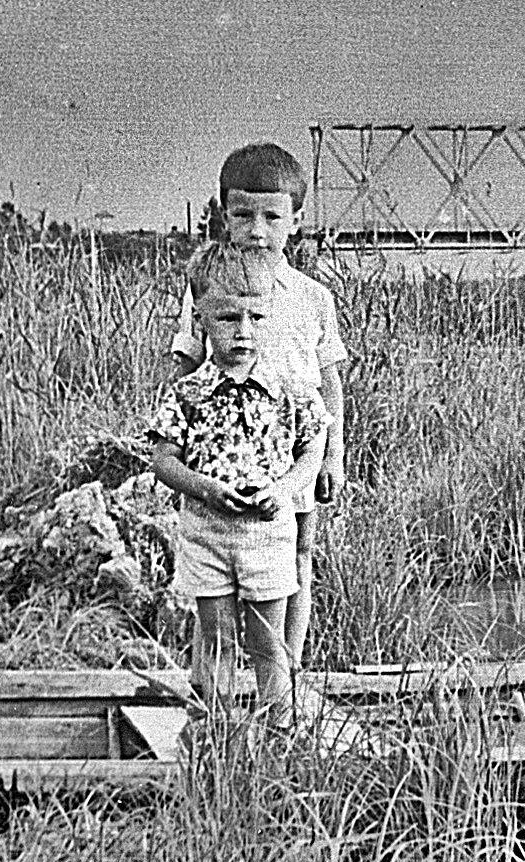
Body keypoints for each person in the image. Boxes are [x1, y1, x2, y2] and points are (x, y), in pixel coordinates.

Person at [171, 141, 347, 680]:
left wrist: (333, 455)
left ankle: (286, 674)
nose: (257, 230)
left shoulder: (311, 296)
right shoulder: (209, 289)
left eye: (272, 217)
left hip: (293, 451)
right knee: (215, 576)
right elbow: (185, 367)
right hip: (225, 457)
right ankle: (213, 685)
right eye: (243, 215)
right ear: (224, 216)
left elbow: (329, 381)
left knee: (298, 557)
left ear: (296, 220)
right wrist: (182, 448)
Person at [151, 241, 329, 719]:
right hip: (207, 535)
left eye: (257, 318)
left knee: (268, 643)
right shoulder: (188, 393)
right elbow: (163, 460)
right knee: (217, 640)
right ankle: (217, 734)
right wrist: (205, 488)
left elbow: (312, 449)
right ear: (201, 319)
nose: (244, 331)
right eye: (229, 318)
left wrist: (284, 489)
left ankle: (281, 729)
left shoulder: (290, 389)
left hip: (268, 535)